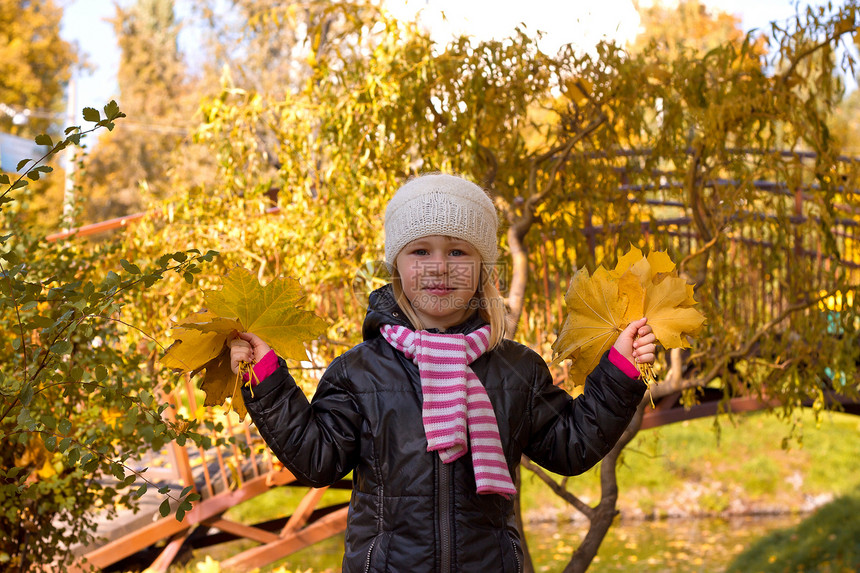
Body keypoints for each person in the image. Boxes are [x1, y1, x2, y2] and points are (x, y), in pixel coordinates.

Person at [229, 173, 656, 573]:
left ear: (482, 268)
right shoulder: (359, 372)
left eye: (457, 251)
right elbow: (316, 461)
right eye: (420, 251)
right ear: (397, 265)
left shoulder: (516, 369)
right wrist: (265, 379)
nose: (439, 267)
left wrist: (620, 371)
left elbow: (571, 446)